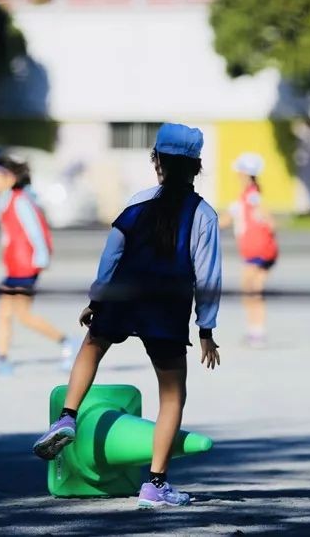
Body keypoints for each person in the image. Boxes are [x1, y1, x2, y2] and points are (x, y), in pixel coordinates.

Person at [32, 123, 222, 509]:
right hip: (166, 305)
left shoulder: (137, 203)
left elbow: (111, 256)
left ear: (157, 163)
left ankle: (67, 417)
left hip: (123, 294)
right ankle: (155, 484)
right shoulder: (204, 215)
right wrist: (206, 327)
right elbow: (208, 275)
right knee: (172, 395)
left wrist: (97, 299)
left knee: (92, 345)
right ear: (197, 167)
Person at [0, 153, 81, 376]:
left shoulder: (21, 200)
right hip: (13, 265)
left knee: (22, 315)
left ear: (10, 178)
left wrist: (41, 258)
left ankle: (67, 342)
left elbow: (35, 231)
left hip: (25, 266)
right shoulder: (7, 199)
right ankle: (1, 357)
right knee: (4, 313)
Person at [219, 152, 278, 348]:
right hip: (260, 250)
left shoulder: (251, 195)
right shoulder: (245, 196)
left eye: (239, 171)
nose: (237, 174)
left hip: (257, 250)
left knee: (250, 290)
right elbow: (226, 219)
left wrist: (264, 222)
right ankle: (256, 331)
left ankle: (257, 332)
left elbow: (267, 218)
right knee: (254, 291)